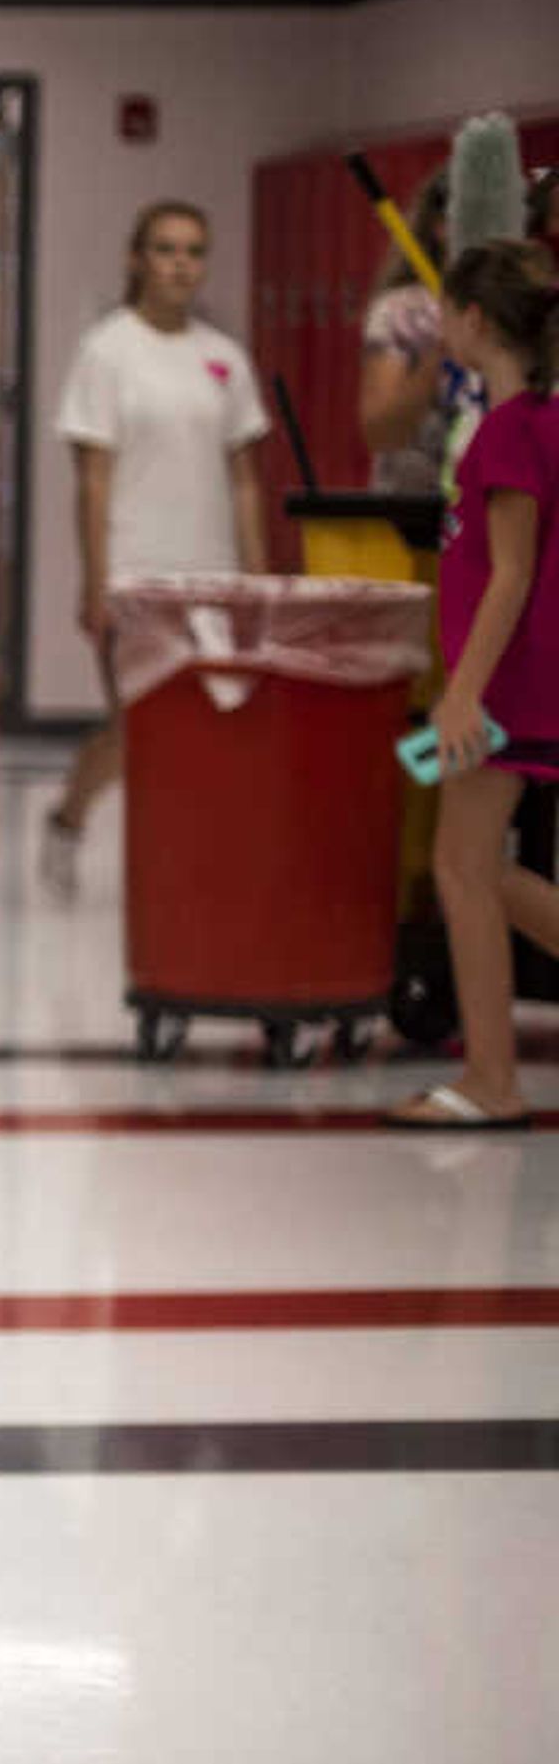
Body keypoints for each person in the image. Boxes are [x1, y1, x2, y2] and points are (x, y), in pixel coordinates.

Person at [387, 239, 559, 1130]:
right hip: (524, 681)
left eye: (447, 311)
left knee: (464, 866)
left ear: (475, 320)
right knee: (478, 867)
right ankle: (490, 1075)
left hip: (505, 685)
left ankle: (492, 1080)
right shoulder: (536, 420)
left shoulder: (506, 432)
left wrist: (463, 695)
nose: (442, 325)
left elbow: (512, 573)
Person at [45, 199, 269, 877]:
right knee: (137, 731)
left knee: (210, 728)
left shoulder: (223, 357)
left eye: (194, 251)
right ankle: (70, 817)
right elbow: (93, 479)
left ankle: (189, 868)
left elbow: (245, 480)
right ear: (136, 258)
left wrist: (257, 577)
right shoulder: (106, 351)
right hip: (135, 570)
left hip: (212, 572)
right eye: (166, 249)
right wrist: (94, 580)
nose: (180, 264)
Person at [358, 167, 474, 500]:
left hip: (493, 514)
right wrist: (437, 357)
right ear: (441, 227)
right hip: (412, 515)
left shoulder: (515, 307)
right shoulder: (401, 313)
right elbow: (381, 432)